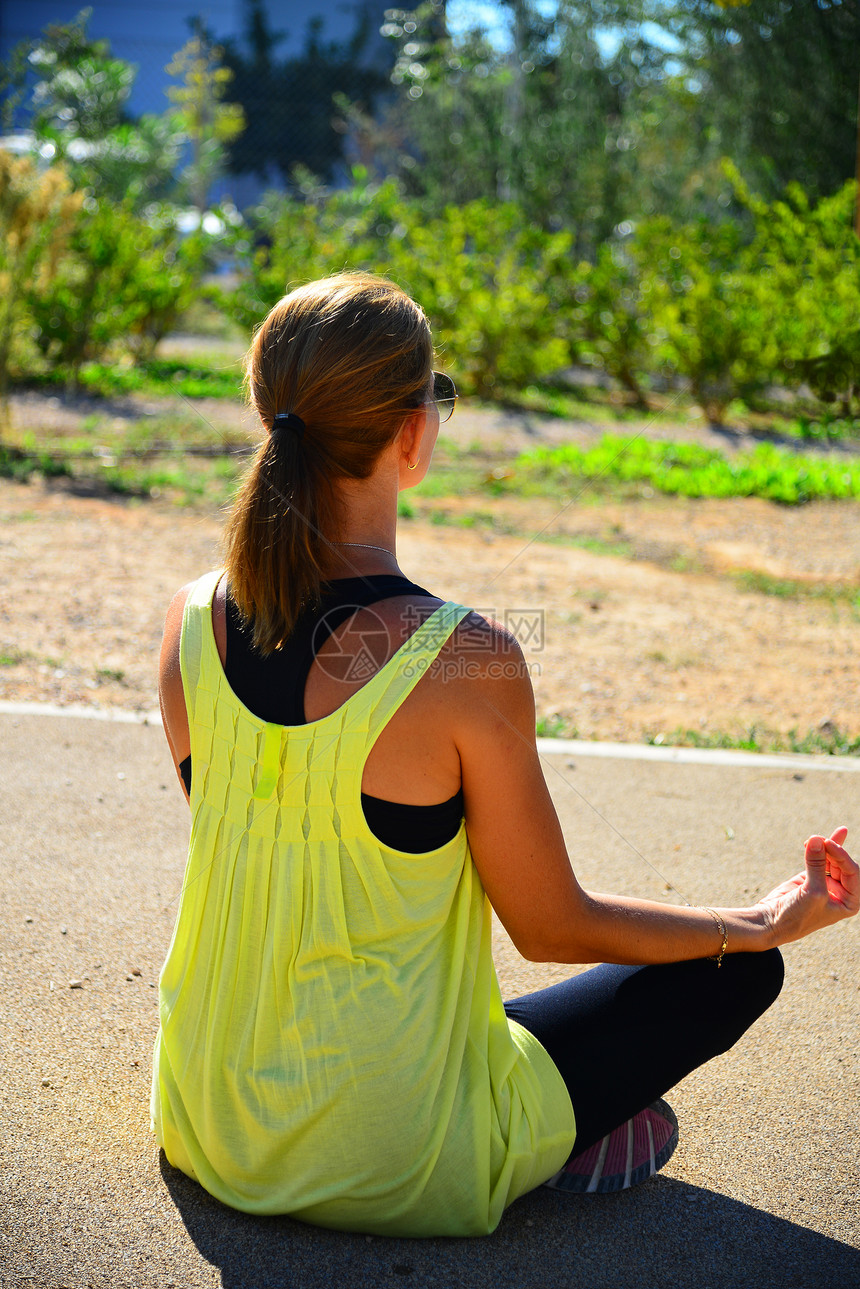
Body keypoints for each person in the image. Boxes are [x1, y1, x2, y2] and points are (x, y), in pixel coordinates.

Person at [152, 272, 857, 1237]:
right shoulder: (464, 657)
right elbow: (552, 923)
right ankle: (557, 1134)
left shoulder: (191, 619)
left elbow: (278, 865)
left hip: (211, 1121)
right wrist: (765, 919)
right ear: (410, 430)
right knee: (734, 970)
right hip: (395, 1153)